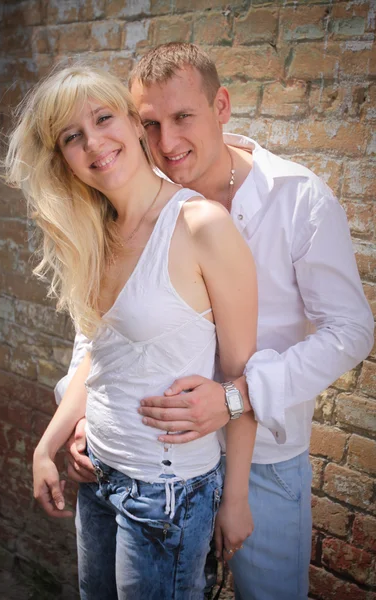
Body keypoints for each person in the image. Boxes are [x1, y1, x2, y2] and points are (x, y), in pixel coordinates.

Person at [59, 44, 375, 600]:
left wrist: (237, 396)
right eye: (151, 124)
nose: (167, 143)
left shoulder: (299, 199)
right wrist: (84, 412)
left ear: (221, 104)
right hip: (156, 459)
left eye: (184, 117)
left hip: (264, 465)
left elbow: (350, 331)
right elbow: (102, 323)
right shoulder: (133, 196)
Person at [3, 62, 258, 599]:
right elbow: (102, 356)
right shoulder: (95, 234)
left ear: (135, 125)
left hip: (167, 493)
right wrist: (46, 447)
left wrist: (234, 500)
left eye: (103, 118)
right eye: (73, 137)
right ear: (63, 159)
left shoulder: (201, 225)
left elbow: (240, 375)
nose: (94, 143)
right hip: (96, 475)